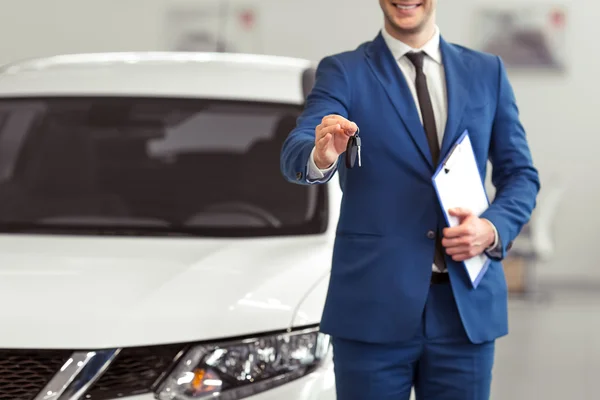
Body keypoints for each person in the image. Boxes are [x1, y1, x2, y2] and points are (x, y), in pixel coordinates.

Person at [280, 0, 540, 399]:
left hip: (463, 311)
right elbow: (299, 145)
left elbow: (520, 174)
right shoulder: (344, 70)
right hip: (373, 309)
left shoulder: (488, 72)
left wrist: (490, 229)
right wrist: (320, 154)